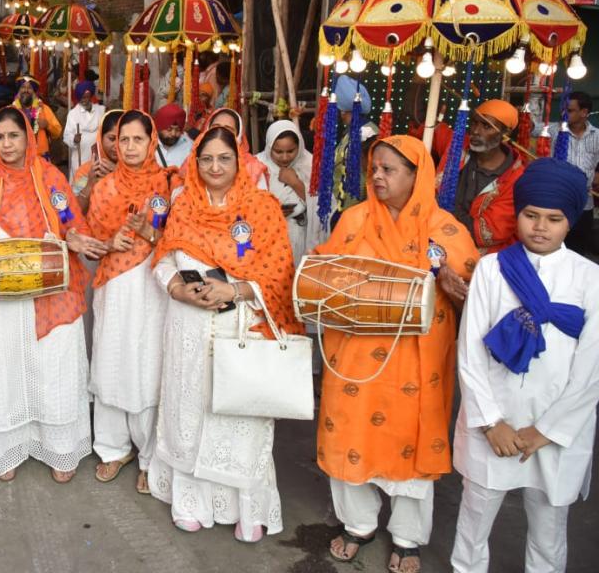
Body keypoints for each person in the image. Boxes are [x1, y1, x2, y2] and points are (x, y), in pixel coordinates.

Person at [315, 136, 479, 573]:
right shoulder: (353, 219)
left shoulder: (445, 231)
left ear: (416, 175)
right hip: (355, 355)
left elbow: (475, 298)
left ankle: (407, 536)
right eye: (375, 168)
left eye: (389, 169)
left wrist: (451, 287)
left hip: (413, 363)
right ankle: (358, 523)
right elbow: (323, 272)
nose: (378, 176)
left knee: (410, 442)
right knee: (349, 434)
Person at [147, 125, 302, 542]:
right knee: (189, 413)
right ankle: (190, 502)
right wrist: (176, 287)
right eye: (207, 158)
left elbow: (279, 273)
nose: (215, 167)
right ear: (195, 163)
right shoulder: (183, 205)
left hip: (240, 327)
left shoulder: (262, 207)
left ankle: (247, 510)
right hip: (187, 328)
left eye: (225, 158)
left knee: (239, 416)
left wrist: (233, 289)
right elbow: (163, 259)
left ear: (240, 162)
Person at [450, 157, 599, 573]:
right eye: (531, 215)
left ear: (570, 221)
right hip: (494, 425)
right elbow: (471, 353)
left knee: (549, 533)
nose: (540, 227)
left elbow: (592, 371)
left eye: (554, 219)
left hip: (556, 432)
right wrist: (490, 422)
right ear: (517, 213)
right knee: (474, 522)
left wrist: (546, 431)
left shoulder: (590, 278)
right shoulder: (492, 270)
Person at [0, 108, 107, 482]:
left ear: (28, 137)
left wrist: (75, 237)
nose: (5, 145)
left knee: (52, 366)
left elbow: (69, 223)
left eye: (13, 136)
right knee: (3, 367)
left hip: (49, 293)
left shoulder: (50, 178)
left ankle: (58, 446)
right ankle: (4, 447)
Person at [86, 111, 172, 494]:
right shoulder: (104, 188)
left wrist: (150, 233)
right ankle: (112, 447)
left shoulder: (168, 185)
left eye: (139, 139)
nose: (131, 147)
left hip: (152, 287)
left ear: (151, 142)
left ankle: (150, 455)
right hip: (114, 286)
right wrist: (109, 244)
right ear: (114, 144)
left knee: (147, 362)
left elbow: (182, 240)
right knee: (112, 358)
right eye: (125, 140)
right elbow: (89, 240)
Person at [445, 100, 525, 255]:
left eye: (486, 126)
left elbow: (488, 232)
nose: (475, 131)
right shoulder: (457, 148)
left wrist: (440, 213)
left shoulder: (516, 178)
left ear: (505, 133)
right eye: (474, 123)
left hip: (484, 261)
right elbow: (420, 122)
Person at [256, 120, 318, 258]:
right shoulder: (257, 165)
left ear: (300, 146)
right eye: (278, 152)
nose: (284, 157)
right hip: (267, 238)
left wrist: (295, 183)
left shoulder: (310, 164)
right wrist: (271, 211)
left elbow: (323, 205)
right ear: (269, 146)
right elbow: (246, 204)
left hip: (301, 235)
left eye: (291, 151)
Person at [549, 91, 599, 256]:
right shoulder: (554, 130)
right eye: (563, 110)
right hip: (557, 202)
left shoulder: (597, 136)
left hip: (584, 204)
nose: (564, 113)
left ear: (584, 112)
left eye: (569, 110)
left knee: (577, 254)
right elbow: (532, 127)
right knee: (552, 250)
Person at [331, 75, 380, 212]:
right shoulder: (351, 132)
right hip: (342, 206)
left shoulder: (368, 133)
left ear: (342, 112)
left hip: (358, 209)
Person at [205, 107, 270, 189]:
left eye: (228, 130)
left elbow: (262, 200)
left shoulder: (252, 168)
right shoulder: (194, 163)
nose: (220, 133)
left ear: (238, 137)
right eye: (215, 127)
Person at [73, 109, 122, 214]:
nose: (117, 146)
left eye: (123, 139)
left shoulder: (137, 170)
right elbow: (76, 213)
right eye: (112, 139)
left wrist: (119, 175)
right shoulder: (86, 171)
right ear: (100, 138)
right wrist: (90, 184)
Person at [64, 81, 105, 181]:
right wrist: (74, 139)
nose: (85, 100)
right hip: (80, 155)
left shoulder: (100, 110)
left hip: (97, 154)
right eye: (82, 97)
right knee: (80, 182)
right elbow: (66, 136)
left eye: (87, 97)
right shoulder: (73, 114)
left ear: (91, 96)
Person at [14, 76, 62, 158]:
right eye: (23, 87)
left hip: (40, 158)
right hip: (18, 157)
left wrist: (47, 125)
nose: (26, 90)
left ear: (34, 92)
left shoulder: (44, 109)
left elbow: (58, 132)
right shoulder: (11, 110)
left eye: (29, 88)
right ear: (18, 91)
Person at [152, 103, 193, 169]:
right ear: (159, 127)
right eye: (169, 129)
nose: (173, 134)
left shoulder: (190, 146)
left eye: (177, 130)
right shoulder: (148, 145)